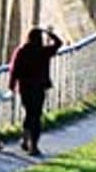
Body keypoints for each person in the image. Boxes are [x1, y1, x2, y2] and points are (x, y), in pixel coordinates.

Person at [7, 26, 64, 154]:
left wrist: (11, 87)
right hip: (38, 88)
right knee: (36, 116)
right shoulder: (43, 51)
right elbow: (59, 44)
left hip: (25, 89)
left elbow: (14, 71)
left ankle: (25, 139)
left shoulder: (21, 51)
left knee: (29, 114)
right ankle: (33, 146)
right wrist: (49, 34)